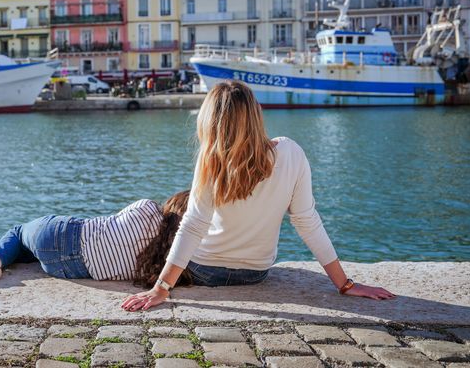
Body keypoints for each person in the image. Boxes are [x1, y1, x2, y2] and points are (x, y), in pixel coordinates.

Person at [122, 81, 395, 312]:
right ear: (256, 113)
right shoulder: (291, 153)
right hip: (256, 272)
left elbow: (194, 225)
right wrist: (345, 284)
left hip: (207, 269)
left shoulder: (210, 161)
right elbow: (306, 221)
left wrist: (161, 288)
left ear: (210, 123)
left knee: (168, 213)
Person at [0, 190, 193, 287]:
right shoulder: (168, 264)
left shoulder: (148, 208)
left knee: (18, 232)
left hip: (61, 235)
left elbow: (110, 227)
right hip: (66, 269)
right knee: (30, 251)